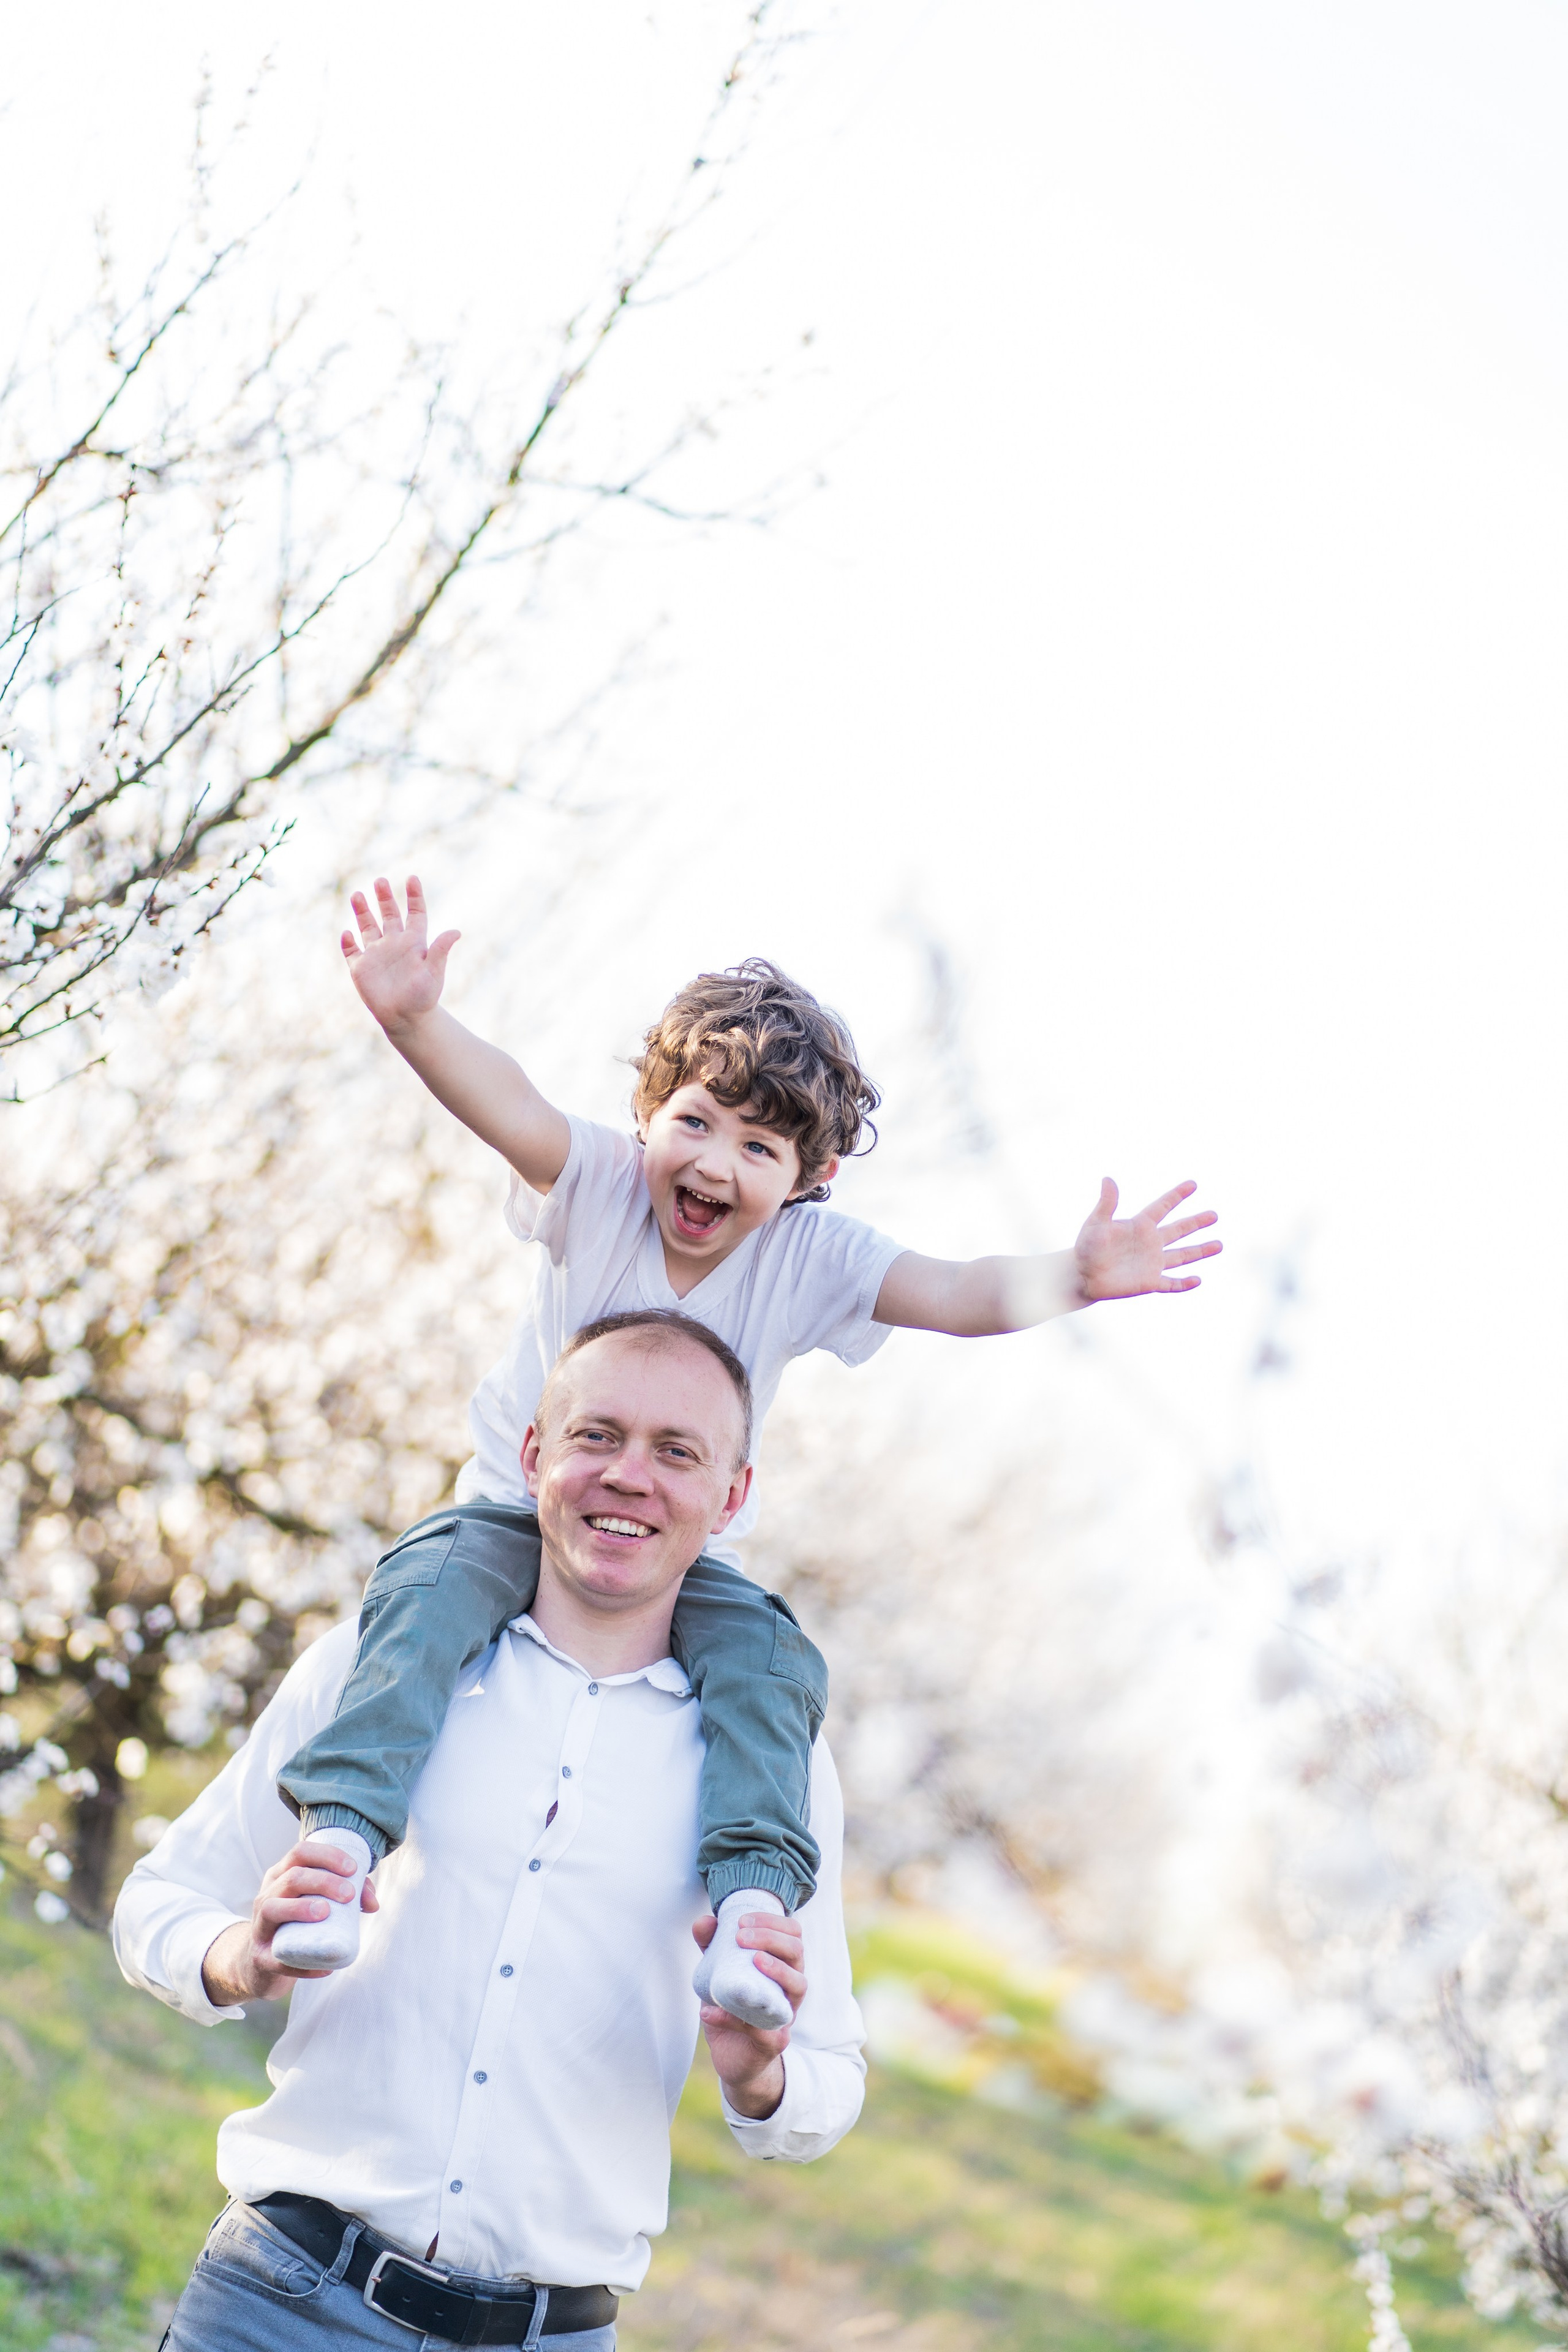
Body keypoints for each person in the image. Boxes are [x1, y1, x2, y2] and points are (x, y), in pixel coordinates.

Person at [273, 878, 1221, 2021]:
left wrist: (1071, 1277)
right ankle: (339, 1848)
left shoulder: (812, 1259)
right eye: (697, 1124)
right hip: (513, 1516)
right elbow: (508, 1103)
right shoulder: (599, 1187)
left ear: (810, 1179)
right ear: (648, 1120)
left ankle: (753, 1910)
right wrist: (415, 1020)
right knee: (417, 1602)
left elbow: (951, 1290)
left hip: (677, 1559)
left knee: (772, 1668)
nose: (717, 1165)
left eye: (760, 1146)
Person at [114, 1312, 866, 2352]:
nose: (629, 1477)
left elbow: (832, 2071)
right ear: (535, 1455)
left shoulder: (775, 1768)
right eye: (596, 1435)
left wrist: (760, 2074)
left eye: (677, 1452)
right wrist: (239, 1957)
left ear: (732, 1496)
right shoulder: (374, 1666)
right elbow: (156, 1905)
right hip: (277, 2305)